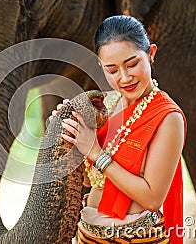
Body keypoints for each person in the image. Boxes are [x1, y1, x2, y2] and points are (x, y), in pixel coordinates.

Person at [51, 15, 186, 243]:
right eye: (112, 70)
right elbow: (89, 181)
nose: (124, 78)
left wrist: (95, 152)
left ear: (151, 54)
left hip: (137, 237)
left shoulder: (168, 117)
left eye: (132, 64)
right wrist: (68, 131)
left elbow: (153, 197)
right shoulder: (107, 105)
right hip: (88, 234)